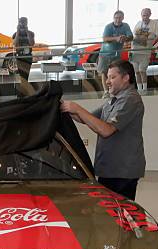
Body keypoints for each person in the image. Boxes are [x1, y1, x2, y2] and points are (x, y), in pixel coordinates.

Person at [60, 60, 145, 201]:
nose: (107, 82)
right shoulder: (114, 100)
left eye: (112, 77)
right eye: (107, 77)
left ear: (126, 78)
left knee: (118, 214)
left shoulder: (130, 100)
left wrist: (76, 108)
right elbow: (85, 118)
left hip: (122, 173)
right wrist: (65, 108)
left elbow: (106, 130)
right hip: (111, 170)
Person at [97, 11, 133, 96]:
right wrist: (116, 38)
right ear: (113, 18)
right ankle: (106, 92)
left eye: (120, 17)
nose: (118, 19)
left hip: (117, 54)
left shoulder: (126, 26)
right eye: (116, 18)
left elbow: (131, 37)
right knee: (104, 72)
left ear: (123, 18)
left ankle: (115, 90)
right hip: (105, 54)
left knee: (117, 73)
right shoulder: (108, 27)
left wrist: (125, 38)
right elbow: (105, 39)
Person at [131, 8, 158, 93]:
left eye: (146, 15)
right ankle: (139, 89)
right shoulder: (138, 23)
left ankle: (144, 89)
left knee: (142, 70)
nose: (144, 17)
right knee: (136, 71)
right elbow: (134, 37)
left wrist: (152, 43)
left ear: (150, 15)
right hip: (135, 50)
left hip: (145, 51)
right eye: (143, 15)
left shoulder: (154, 23)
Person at [12, 17, 35, 97]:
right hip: (19, 57)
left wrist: (27, 31)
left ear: (27, 23)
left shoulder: (31, 33)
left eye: (24, 22)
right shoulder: (15, 34)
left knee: (26, 76)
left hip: (28, 57)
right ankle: (21, 94)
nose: (22, 24)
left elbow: (32, 43)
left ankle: (24, 93)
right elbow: (15, 44)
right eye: (21, 22)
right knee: (21, 76)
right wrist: (18, 32)